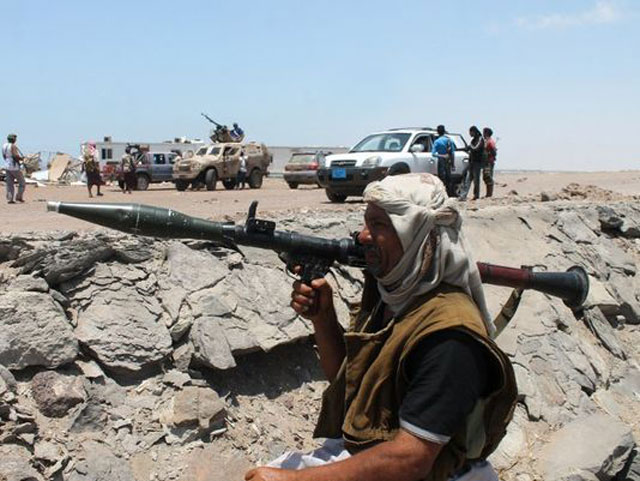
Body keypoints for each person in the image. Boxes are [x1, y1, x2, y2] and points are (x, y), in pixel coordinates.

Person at [245, 173, 517, 481]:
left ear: (413, 235)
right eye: (365, 222)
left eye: (378, 224)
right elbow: (350, 387)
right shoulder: (390, 298)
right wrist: (323, 318)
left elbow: (411, 458)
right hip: (375, 457)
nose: (362, 235)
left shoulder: (449, 336)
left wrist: (293, 480)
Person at [459, 126, 485, 201]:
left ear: (474, 131)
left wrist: (470, 147)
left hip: (477, 163)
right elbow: (469, 148)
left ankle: (476, 195)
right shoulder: (473, 140)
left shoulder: (480, 139)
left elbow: (476, 148)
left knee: (476, 181)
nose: (470, 134)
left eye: (470, 132)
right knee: (467, 179)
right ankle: (463, 196)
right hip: (472, 162)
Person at [431, 125, 456, 196]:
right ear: (444, 131)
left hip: (441, 161)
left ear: (437, 132)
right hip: (448, 161)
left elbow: (433, 154)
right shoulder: (449, 140)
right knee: (449, 179)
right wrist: (453, 164)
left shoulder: (437, 142)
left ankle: (442, 195)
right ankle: (449, 194)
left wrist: (441, 156)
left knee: (441, 179)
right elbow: (452, 153)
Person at [2, 133, 26, 204]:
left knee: (9, 184)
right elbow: (15, 156)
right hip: (14, 167)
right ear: (13, 139)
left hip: (7, 166)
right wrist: (21, 158)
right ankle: (19, 197)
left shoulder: (4, 146)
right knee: (22, 183)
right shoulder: (13, 146)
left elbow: (4, 156)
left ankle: (10, 199)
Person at [482, 128, 497, 198]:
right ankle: (488, 194)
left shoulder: (490, 141)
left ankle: (489, 194)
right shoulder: (487, 141)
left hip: (489, 162)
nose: (483, 134)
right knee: (486, 177)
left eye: (484, 132)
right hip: (486, 161)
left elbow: (494, 151)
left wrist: (489, 155)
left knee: (488, 176)